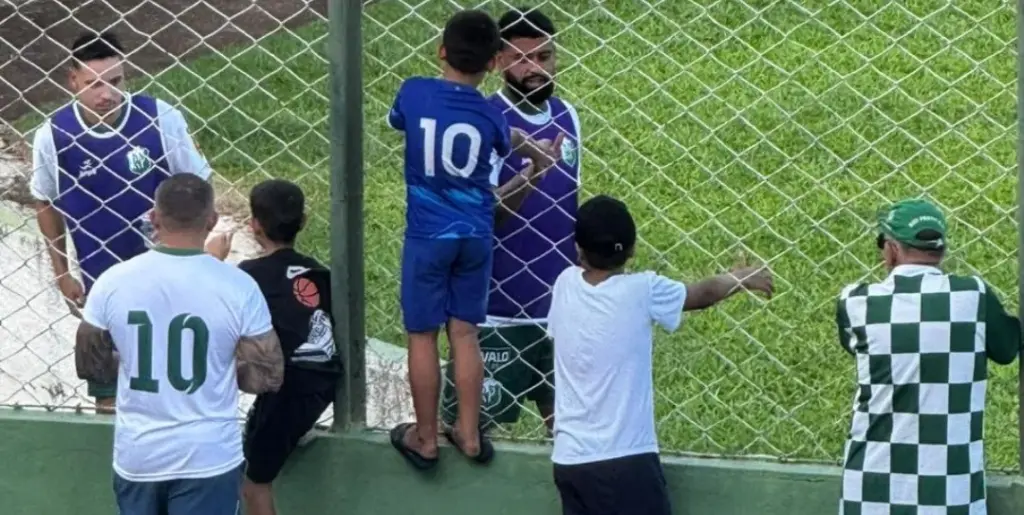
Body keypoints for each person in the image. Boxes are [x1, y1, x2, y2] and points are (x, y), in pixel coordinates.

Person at [387, 9, 561, 470]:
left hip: (428, 234)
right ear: (493, 63)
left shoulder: (415, 92)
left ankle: (425, 437)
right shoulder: (491, 114)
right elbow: (509, 140)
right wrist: (536, 153)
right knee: (465, 334)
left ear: (441, 52)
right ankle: (468, 431)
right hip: (477, 234)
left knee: (421, 335)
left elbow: (398, 121)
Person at [546, 195, 773, 515]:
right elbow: (701, 294)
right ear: (632, 249)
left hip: (570, 460)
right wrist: (740, 278)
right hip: (626, 460)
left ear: (578, 248)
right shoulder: (643, 290)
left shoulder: (564, 285)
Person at [72, 174, 284, 515]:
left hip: (139, 456)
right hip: (208, 456)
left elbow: (90, 365)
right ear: (212, 221)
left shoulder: (113, 281)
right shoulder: (239, 287)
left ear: (154, 218)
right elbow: (266, 377)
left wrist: (134, 361)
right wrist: (220, 367)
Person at [31, 31, 211, 414]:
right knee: (108, 398)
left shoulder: (160, 118)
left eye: (116, 82)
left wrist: (197, 251)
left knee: (169, 389)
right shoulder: (54, 135)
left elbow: (198, 186)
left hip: (168, 284)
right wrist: (61, 271)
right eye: (94, 83)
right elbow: (45, 201)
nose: (107, 94)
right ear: (72, 81)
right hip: (101, 288)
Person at [440, 6, 580, 435]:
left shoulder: (567, 117)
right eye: (521, 59)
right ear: (498, 61)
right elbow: (482, 216)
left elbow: (567, 207)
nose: (534, 69)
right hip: (498, 314)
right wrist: (532, 172)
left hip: (559, 313)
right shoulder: (482, 121)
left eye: (544, 57)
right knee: (466, 434)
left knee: (572, 433)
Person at [835, 199, 1020, 514]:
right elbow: (1006, 349)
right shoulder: (973, 295)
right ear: (941, 249)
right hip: (950, 486)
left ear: (892, 249)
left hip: (870, 484)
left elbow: (856, 345)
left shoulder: (855, 302)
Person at [209, 179, 341, 515]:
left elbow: (212, 308)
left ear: (254, 226)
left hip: (289, 385)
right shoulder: (320, 273)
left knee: (254, 484)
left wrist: (212, 262)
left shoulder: (250, 273)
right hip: (324, 380)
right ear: (303, 222)